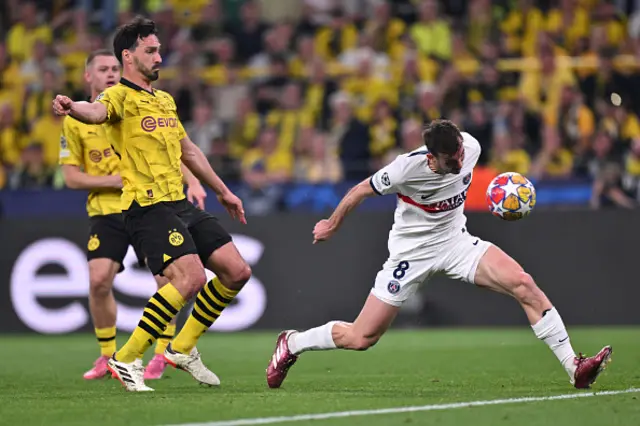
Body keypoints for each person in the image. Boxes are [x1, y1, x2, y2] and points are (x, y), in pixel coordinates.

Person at [266, 119, 612, 390]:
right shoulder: (404, 169)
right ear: (432, 157)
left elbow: (466, 159)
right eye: (453, 159)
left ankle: (574, 367)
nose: (461, 161)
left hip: (455, 243)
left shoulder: (470, 147)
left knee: (523, 283)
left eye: (461, 153)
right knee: (361, 337)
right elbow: (359, 190)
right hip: (410, 254)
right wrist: (331, 223)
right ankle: (293, 343)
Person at [52, 17, 251, 392]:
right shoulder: (117, 96)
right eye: (151, 50)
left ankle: (183, 348)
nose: (160, 57)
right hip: (145, 206)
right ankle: (125, 358)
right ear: (128, 56)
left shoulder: (164, 100)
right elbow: (94, 112)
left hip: (178, 202)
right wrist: (71, 106)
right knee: (189, 279)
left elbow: (188, 150)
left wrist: (224, 191)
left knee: (237, 271)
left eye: (159, 49)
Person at [59, 49, 207, 381]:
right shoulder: (76, 121)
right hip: (106, 211)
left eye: (114, 68)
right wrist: (112, 180)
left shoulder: (135, 104)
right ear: (88, 76)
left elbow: (170, 150)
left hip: (145, 204)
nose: (110, 73)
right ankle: (107, 355)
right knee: (98, 281)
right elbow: (70, 177)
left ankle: (160, 355)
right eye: (102, 69)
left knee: (169, 280)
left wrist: (194, 181)